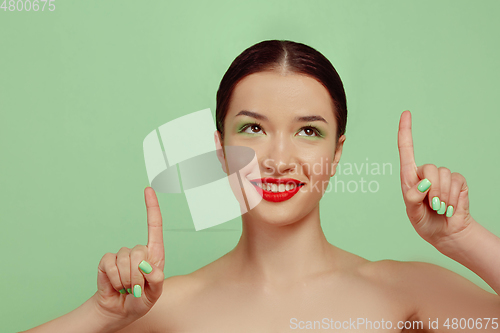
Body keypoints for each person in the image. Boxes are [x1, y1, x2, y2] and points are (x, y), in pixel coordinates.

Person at [22, 40, 500, 333]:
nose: (276, 161)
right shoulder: (162, 309)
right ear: (219, 150)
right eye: (252, 128)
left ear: (336, 155)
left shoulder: (405, 293)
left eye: (309, 131)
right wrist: (100, 315)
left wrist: (462, 239)